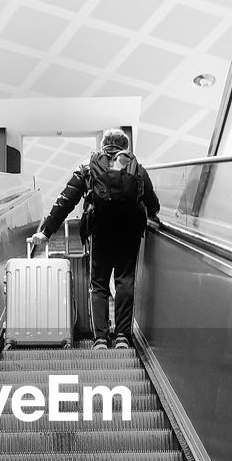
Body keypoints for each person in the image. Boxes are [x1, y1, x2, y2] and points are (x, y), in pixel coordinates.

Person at [30, 128, 160, 349]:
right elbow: (153, 205)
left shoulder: (89, 166)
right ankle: (122, 337)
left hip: (100, 230)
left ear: (103, 146)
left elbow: (65, 200)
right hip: (129, 231)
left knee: (98, 284)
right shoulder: (136, 167)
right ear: (124, 147)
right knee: (125, 281)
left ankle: (100, 338)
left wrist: (46, 232)